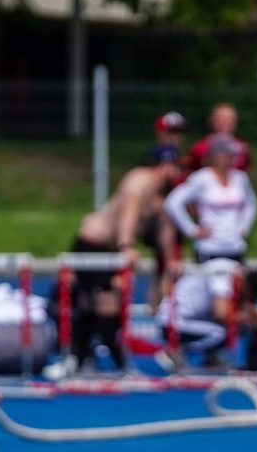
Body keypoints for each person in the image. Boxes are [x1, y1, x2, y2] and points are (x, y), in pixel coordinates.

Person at [63, 154, 185, 374]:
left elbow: (165, 231)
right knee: (103, 304)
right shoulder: (141, 178)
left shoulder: (160, 196)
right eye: (176, 167)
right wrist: (125, 245)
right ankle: (117, 364)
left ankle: (81, 360)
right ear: (165, 165)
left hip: (109, 248)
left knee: (96, 306)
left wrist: (170, 261)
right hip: (95, 244)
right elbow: (129, 208)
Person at [162, 135, 257, 367]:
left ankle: (213, 353)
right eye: (226, 154)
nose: (231, 159)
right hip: (210, 249)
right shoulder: (202, 179)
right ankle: (191, 344)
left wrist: (243, 228)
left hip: (234, 248)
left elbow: (251, 204)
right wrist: (192, 229)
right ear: (214, 156)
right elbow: (173, 202)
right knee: (213, 299)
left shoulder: (240, 179)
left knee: (234, 298)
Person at [186, 102, 254, 172]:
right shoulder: (200, 147)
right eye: (220, 118)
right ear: (211, 121)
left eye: (229, 119)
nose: (224, 122)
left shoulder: (243, 147)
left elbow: (247, 171)